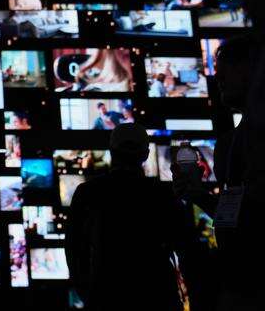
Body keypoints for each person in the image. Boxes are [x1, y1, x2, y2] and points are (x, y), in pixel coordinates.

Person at [172, 34, 265, 310]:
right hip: (240, 281)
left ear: (252, 71)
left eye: (228, 70)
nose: (218, 78)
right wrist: (197, 195)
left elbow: (250, 213)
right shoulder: (230, 143)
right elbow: (236, 215)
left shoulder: (248, 139)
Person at [65, 123, 187, 311]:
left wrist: (89, 293)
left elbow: (74, 250)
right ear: (145, 154)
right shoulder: (163, 194)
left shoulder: (87, 193)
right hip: (157, 296)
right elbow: (186, 249)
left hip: (106, 296)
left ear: (112, 152)